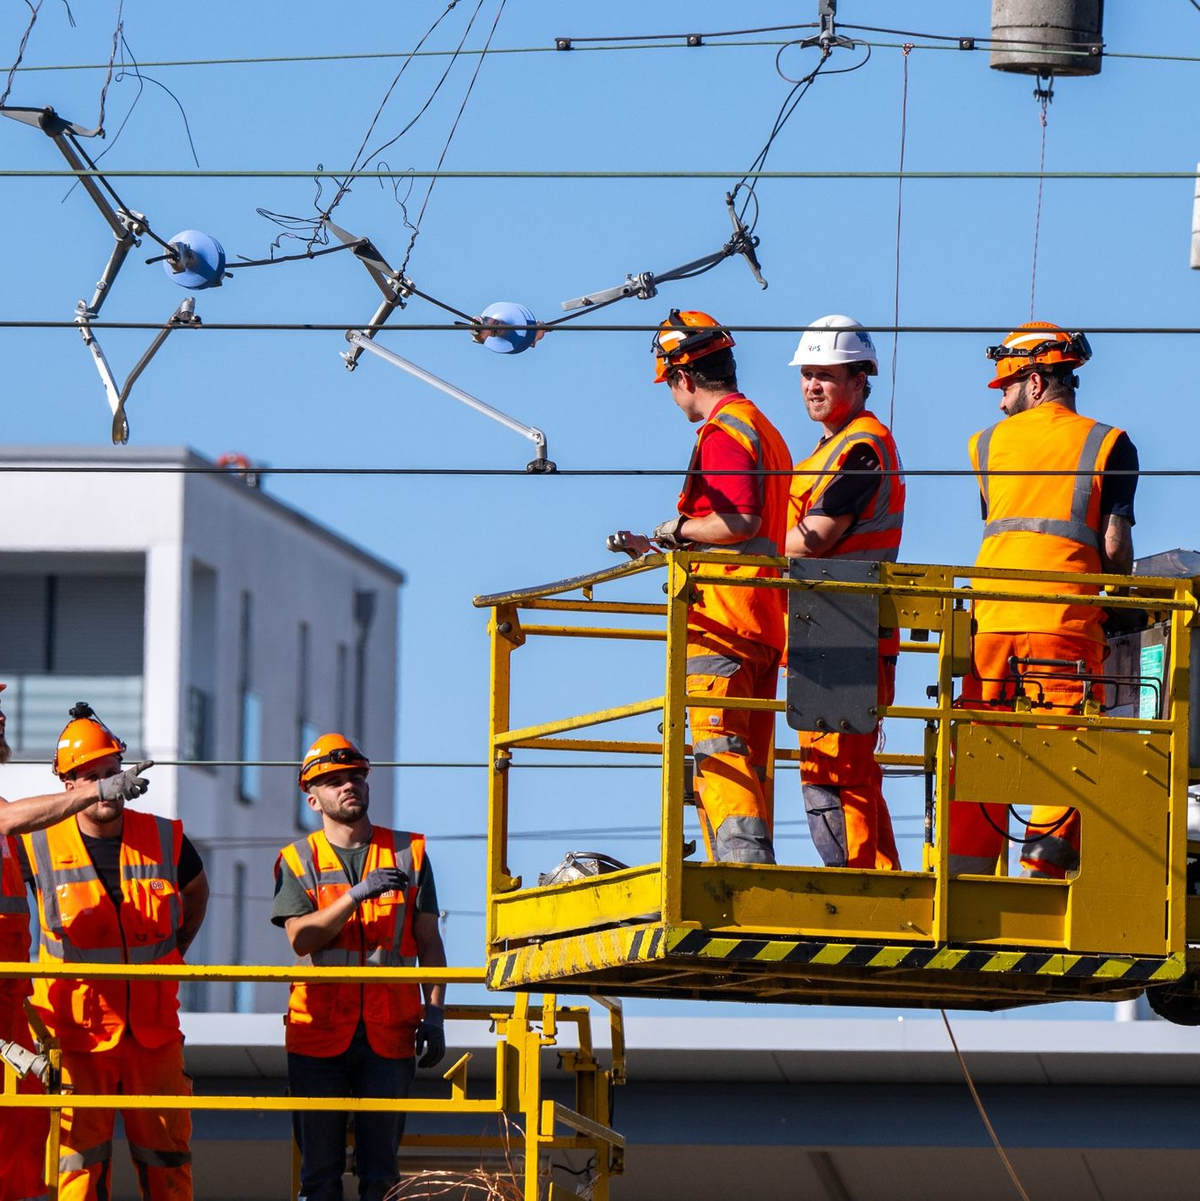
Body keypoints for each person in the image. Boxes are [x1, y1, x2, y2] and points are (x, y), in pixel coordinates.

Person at [948, 323, 1138, 877]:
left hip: (989, 623)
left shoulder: (983, 444)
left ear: (1034, 382)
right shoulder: (1110, 442)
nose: (1000, 398)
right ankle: (1041, 874)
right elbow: (1114, 546)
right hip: (1064, 623)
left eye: (1005, 385)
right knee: (1065, 748)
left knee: (983, 742)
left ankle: (965, 878)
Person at [610, 310, 792, 864]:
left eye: (668, 384)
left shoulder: (723, 433)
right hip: (763, 621)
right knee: (748, 760)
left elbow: (738, 523)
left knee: (718, 751)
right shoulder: (765, 430)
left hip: (723, 621)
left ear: (683, 378)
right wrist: (666, 544)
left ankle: (742, 876)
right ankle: (742, 865)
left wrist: (675, 529)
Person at [19, 703, 208, 1201]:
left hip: (155, 1036)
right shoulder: (34, 844)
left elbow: (197, 892)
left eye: (111, 772)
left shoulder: (165, 838)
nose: (107, 785)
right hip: (76, 1037)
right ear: (69, 787)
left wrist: (175, 951)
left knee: (169, 1165)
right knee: (78, 1170)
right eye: (92, 777)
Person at [273, 734, 448, 1201]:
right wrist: (356, 895)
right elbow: (301, 938)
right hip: (317, 1033)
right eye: (332, 781)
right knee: (319, 1175)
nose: (347, 785)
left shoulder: (410, 852)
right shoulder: (298, 860)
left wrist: (434, 1013)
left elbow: (430, 944)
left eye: (354, 776)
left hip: (389, 1034)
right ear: (313, 799)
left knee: (381, 1176)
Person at [0, 685, 156, 1201]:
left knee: (21, 1140)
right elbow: (10, 819)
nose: (1, 720)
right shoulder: (6, 819)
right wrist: (98, 791)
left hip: (10, 1002)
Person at [786, 315, 907, 871]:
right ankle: (880, 881)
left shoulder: (862, 449)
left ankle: (864, 888)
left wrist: (751, 546)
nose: (813, 385)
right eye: (808, 374)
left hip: (847, 627)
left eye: (826, 375)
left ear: (861, 380)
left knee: (839, 773)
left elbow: (817, 538)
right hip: (826, 626)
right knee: (839, 768)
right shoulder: (826, 451)